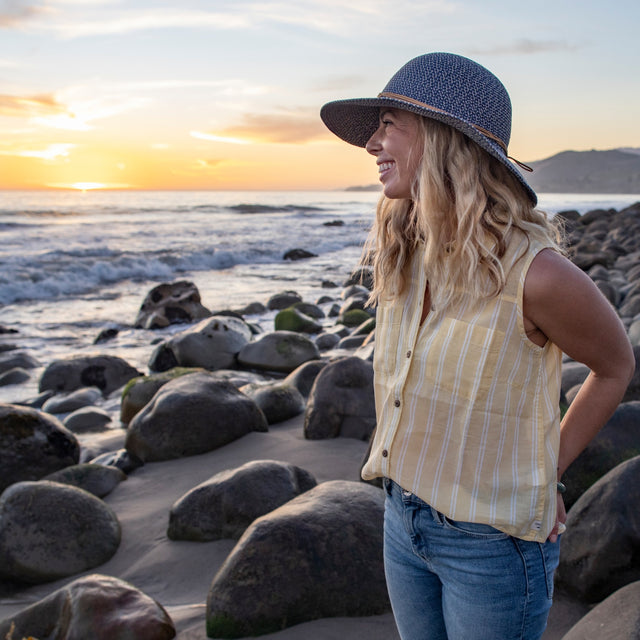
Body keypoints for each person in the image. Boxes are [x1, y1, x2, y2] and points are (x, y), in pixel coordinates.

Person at [320, 52, 635, 640]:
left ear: (444, 139)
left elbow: (616, 367)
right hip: (400, 519)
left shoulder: (536, 274)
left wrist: (547, 473)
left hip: (491, 549)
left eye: (390, 123)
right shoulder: (405, 252)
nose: (372, 143)